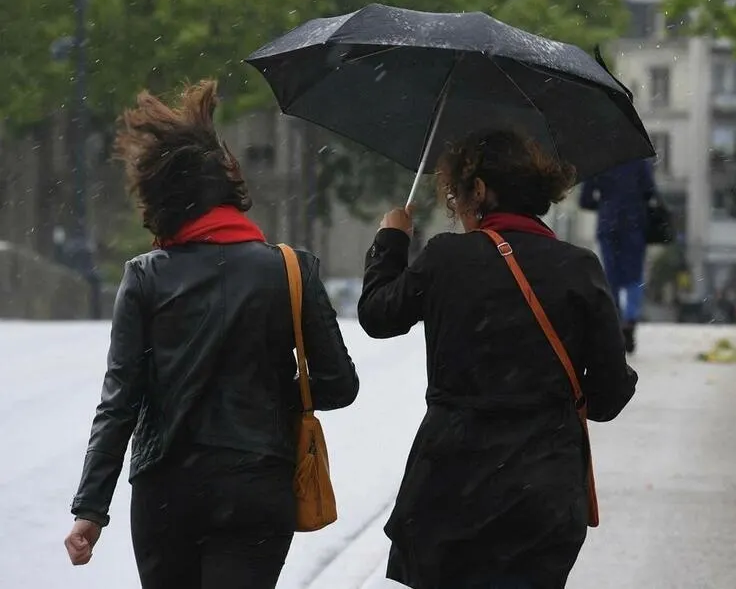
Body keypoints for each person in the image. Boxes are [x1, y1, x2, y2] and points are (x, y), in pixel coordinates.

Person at [64, 81, 359, 589]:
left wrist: (91, 507)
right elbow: (339, 384)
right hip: (256, 484)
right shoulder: (291, 269)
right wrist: (269, 396)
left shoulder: (145, 277)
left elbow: (120, 402)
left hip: (166, 492)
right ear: (228, 188)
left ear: (161, 198)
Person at [358, 129, 638, 589]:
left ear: (480, 190)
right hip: (542, 495)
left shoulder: (447, 257)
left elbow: (377, 316)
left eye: (456, 195)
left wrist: (391, 239)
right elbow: (609, 398)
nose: (457, 208)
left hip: (451, 487)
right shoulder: (578, 266)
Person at [578, 158, 656, 353]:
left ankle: (616, 318)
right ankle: (630, 319)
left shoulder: (599, 162)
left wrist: (605, 203)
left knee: (611, 275)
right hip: (634, 224)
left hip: (608, 224)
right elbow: (649, 190)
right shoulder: (638, 160)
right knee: (634, 274)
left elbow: (585, 200)